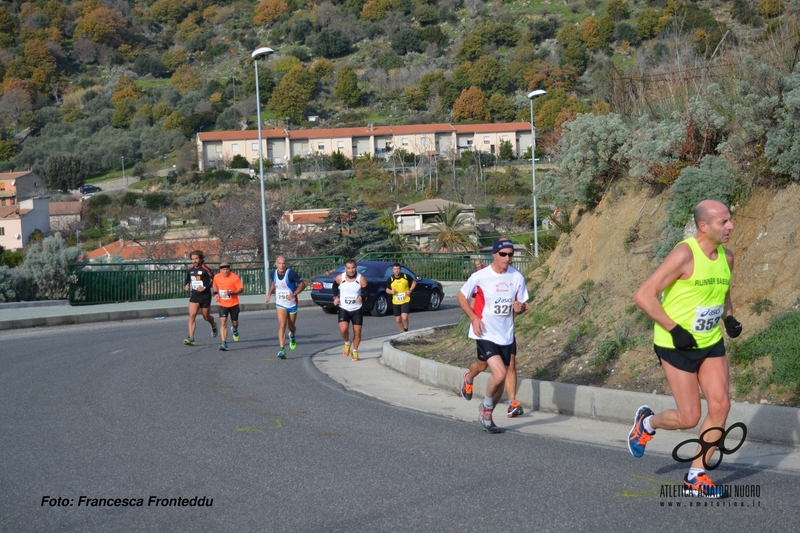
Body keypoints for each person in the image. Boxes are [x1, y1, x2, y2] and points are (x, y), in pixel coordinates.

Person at [629, 199, 742, 498]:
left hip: (709, 342)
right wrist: (674, 329)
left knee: (721, 406)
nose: (730, 226)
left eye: (730, 220)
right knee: (689, 417)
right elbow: (643, 295)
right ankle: (647, 423)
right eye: (723, 222)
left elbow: (723, 289)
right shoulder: (684, 253)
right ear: (704, 226)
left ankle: (696, 475)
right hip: (675, 344)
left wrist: (729, 317)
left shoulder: (726, 257)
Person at [457, 238, 530, 433]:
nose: (507, 258)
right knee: (500, 374)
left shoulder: (516, 277)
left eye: (510, 254)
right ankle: (486, 408)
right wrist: (473, 317)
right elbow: (461, 296)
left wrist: (520, 307)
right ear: (494, 255)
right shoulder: (481, 276)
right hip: (484, 331)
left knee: (482, 365)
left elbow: (524, 304)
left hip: (505, 334)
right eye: (503, 254)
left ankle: (484, 410)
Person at [265, 255, 306, 360]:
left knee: (291, 326)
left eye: (283, 263)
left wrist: (294, 294)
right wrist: (269, 294)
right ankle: (282, 349)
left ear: (286, 264)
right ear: (276, 264)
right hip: (280, 303)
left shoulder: (291, 274)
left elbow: (303, 284)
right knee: (282, 324)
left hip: (292, 304)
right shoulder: (273, 273)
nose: (281, 265)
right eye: (279, 263)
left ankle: (292, 336)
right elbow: (274, 283)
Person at [332, 259, 369, 362]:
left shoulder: (361, 279)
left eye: (353, 268)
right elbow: (334, 287)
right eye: (349, 268)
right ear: (345, 268)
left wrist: (362, 297)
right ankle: (347, 342)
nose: (351, 270)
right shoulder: (340, 278)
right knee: (343, 330)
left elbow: (367, 293)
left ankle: (355, 351)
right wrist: (335, 297)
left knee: (357, 332)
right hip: (344, 308)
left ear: (355, 267)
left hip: (357, 309)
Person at [183, 250, 218, 345]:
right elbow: (188, 279)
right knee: (192, 315)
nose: (194, 261)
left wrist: (205, 287)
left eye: (196, 258)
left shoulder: (205, 269)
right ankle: (191, 338)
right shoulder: (190, 269)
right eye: (192, 259)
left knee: (206, 317)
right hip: (195, 296)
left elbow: (215, 280)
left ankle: (213, 324)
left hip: (205, 296)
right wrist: (186, 285)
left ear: (200, 259)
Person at [212, 262, 244, 351]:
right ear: (220, 270)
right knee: (223, 322)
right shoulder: (217, 277)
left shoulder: (234, 277)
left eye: (227, 269)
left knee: (234, 323)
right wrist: (215, 294)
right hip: (222, 304)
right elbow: (214, 285)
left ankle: (234, 330)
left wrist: (231, 292)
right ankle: (224, 343)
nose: (226, 271)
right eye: (223, 269)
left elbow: (241, 289)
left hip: (233, 303)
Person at [385, 262, 417, 333]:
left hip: (405, 299)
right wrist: (391, 291)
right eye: (395, 269)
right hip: (396, 301)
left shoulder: (406, 276)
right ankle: (402, 332)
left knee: (404, 317)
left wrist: (410, 290)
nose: (396, 271)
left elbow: (414, 282)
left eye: (398, 269)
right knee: (398, 320)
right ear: (392, 270)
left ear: (400, 269)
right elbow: (387, 289)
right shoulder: (390, 279)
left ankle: (406, 330)